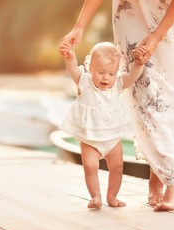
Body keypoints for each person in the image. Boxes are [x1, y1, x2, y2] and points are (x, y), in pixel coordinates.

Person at [60, 0, 174, 211]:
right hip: (132, 13)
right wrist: (79, 26)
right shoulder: (89, 80)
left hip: (171, 13)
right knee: (144, 90)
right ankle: (157, 175)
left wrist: (157, 36)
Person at [59, 41, 145, 209]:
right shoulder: (84, 82)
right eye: (101, 72)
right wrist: (70, 56)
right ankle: (96, 197)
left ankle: (112, 196)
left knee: (118, 167)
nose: (106, 77)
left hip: (112, 139)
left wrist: (139, 64)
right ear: (90, 68)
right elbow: (73, 69)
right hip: (90, 139)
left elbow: (132, 76)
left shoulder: (118, 85)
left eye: (111, 73)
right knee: (90, 167)